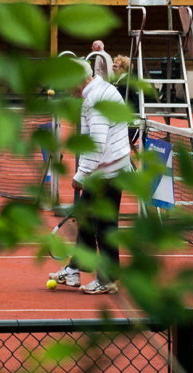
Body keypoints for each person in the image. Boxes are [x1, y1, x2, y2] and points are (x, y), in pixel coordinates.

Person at [49, 58, 133, 296]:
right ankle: (75, 269)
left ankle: (107, 279)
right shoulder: (94, 92)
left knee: (104, 225)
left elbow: (96, 142)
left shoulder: (96, 98)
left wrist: (82, 174)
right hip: (104, 169)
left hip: (110, 171)